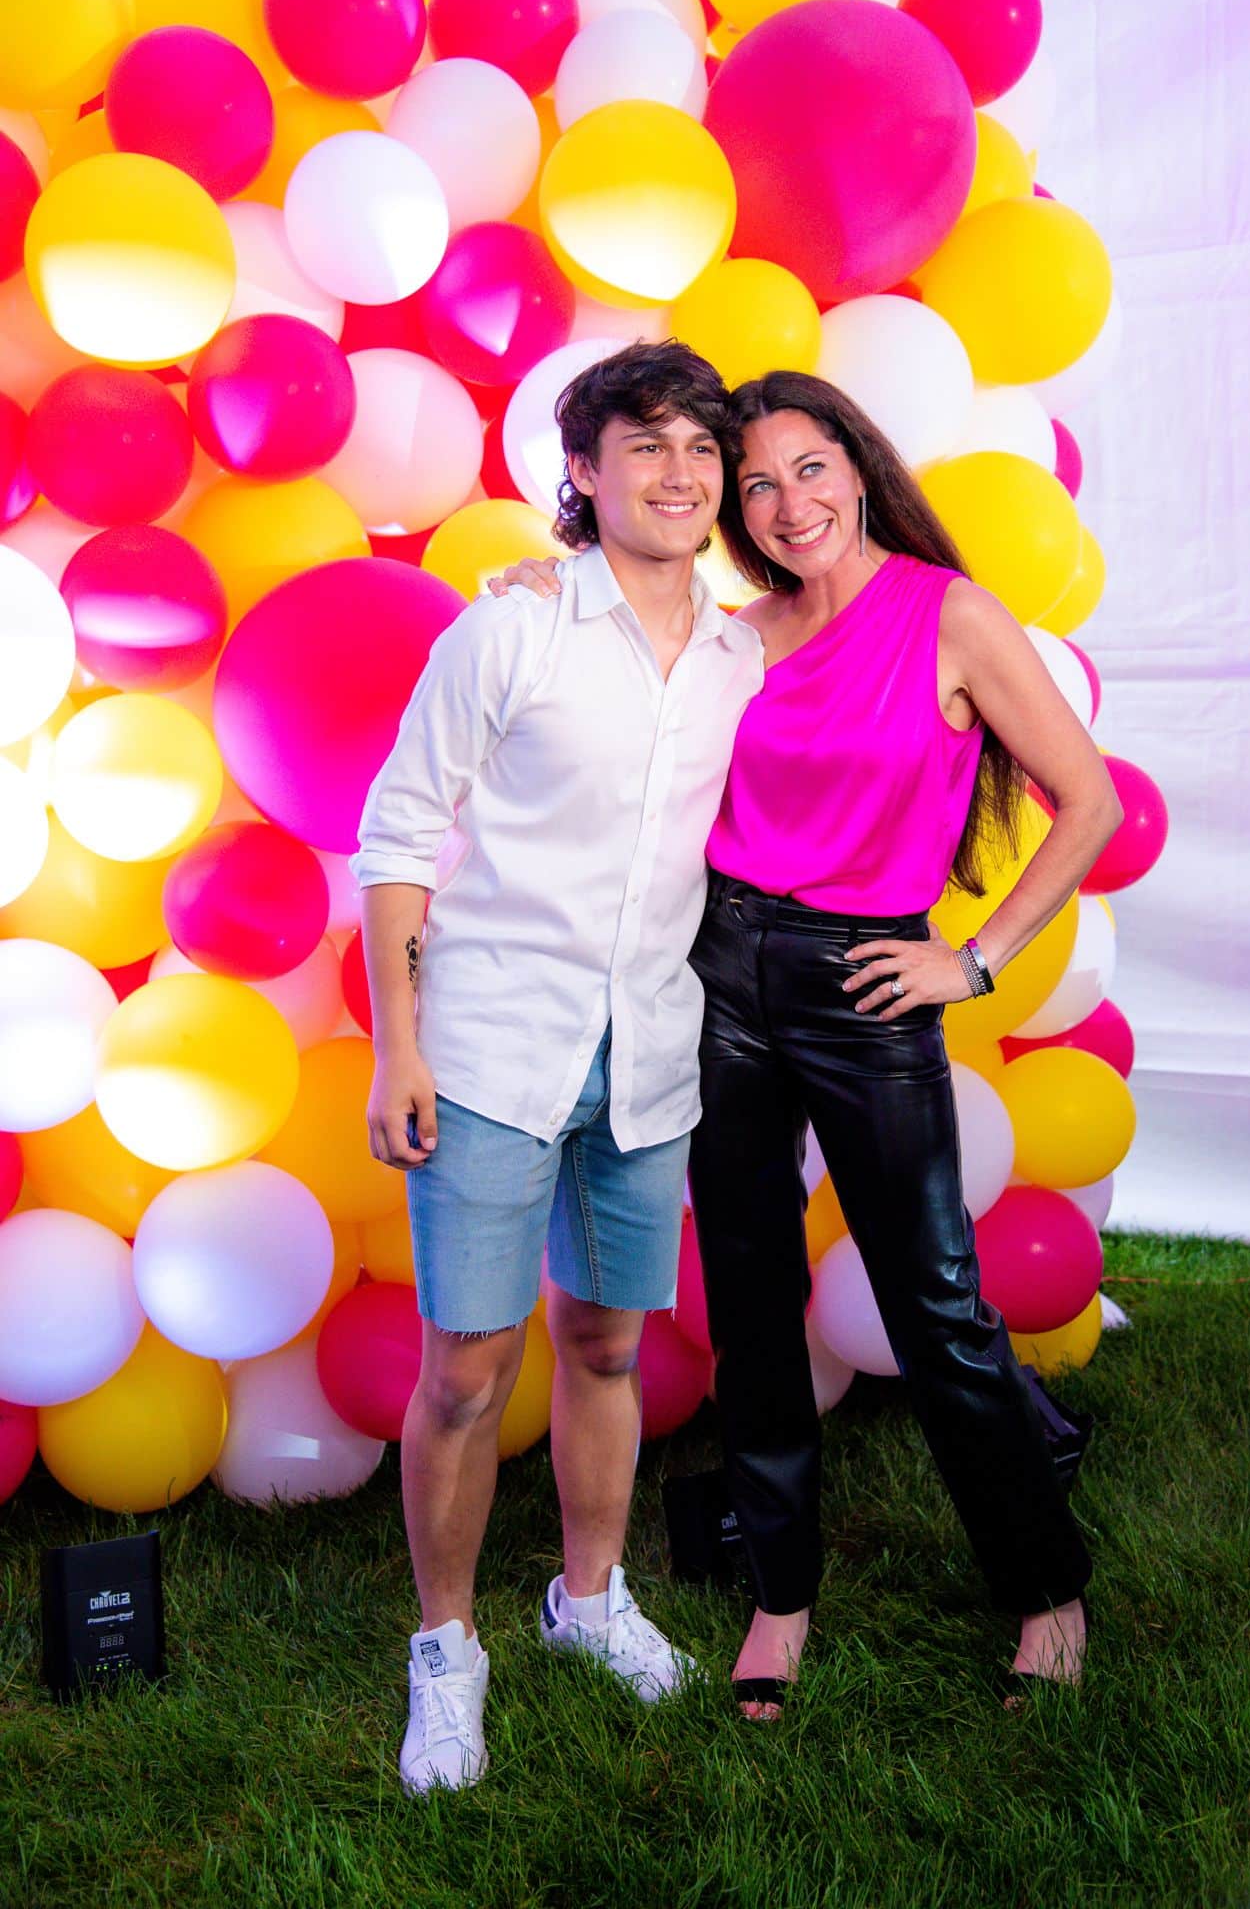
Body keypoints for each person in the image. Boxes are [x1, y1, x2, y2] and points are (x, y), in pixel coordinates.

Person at [496, 368, 1122, 1721]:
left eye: (810, 468)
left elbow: (1084, 798)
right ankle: (779, 1598)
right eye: (759, 481)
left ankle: (1042, 1587)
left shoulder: (947, 615)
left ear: (859, 465)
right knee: (751, 1302)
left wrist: (973, 958)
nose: (787, 504)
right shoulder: (740, 638)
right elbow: (614, 693)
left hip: (864, 985)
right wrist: (532, 600)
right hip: (717, 973)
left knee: (934, 1303)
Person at [351, 340, 764, 1793]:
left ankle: (587, 1599)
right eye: (643, 445)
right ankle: (445, 1650)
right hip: (487, 1052)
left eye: (701, 449)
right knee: (466, 1370)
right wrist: (398, 1047)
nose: (679, 473)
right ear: (581, 475)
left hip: (650, 1060)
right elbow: (399, 842)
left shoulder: (742, 653)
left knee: (605, 1344)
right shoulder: (509, 631)